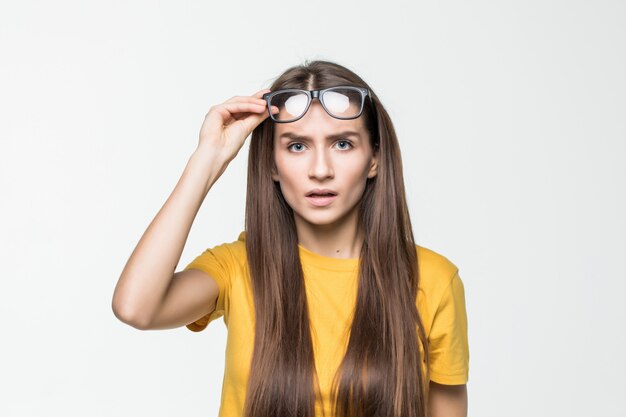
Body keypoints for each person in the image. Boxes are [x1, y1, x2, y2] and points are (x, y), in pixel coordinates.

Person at [112, 60, 469, 417]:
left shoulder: (432, 280)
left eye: (342, 144)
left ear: (373, 159)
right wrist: (208, 159)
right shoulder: (238, 267)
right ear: (271, 164)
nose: (320, 170)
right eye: (297, 147)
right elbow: (136, 307)